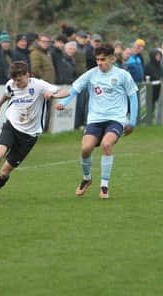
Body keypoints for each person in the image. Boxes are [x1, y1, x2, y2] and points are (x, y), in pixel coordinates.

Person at [0, 61, 66, 202]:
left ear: (27, 75)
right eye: (15, 80)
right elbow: (7, 94)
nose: (17, 83)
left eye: (20, 80)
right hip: (11, 126)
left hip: (29, 136)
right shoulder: (11, 84)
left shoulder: (39, 85)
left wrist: (52, 95)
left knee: (5, 172)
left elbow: (64, 91)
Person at [56, 44, 138, 199]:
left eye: (103, 59)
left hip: (116, 119)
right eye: (98, 59)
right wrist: (64, 103)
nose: (100, 63)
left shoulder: (122, 75)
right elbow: (74, 89)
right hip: (95, 119)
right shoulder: (91, 74)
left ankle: (104, 186)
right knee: (86, 149)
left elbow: (133, 97)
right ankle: (87, 179)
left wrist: (132, 122)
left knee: (107, 145)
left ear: (112, 59)